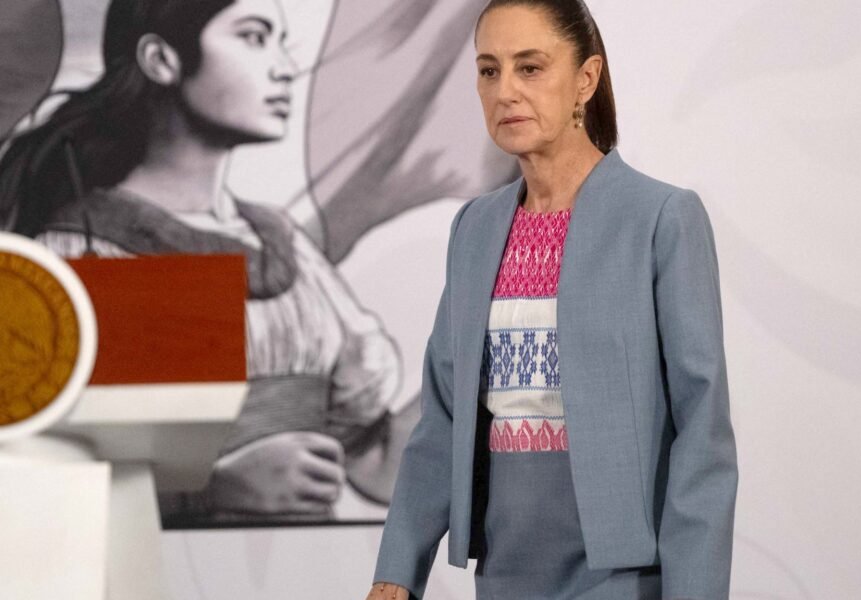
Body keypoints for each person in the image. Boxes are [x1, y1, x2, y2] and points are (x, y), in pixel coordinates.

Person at [367, 0, 738, 598]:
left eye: (530, 67)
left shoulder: (661, 219)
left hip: (621, 576)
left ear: (585, 80)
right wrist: (397, 570)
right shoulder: (475, 228)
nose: (505, 90)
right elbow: (442, 416)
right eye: (489, 70)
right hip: (505, 572)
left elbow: (703, 432)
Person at [0, 0, 415, 522]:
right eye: (254, 36)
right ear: (162, 59)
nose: (285, 67)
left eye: (281, 41)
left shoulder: (280, 240)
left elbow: (373, 461)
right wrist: (212, 489)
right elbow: (38, 485)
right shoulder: (89, 248)